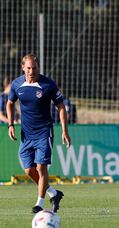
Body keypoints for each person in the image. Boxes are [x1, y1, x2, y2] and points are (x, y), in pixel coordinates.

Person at [6, 54, 71, 213]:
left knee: (41, 167)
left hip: (44, 133)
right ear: (23, 68)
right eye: (28, 68)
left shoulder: (48, 84)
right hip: (26, 134)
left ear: (38, 68)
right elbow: (9, 103)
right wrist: (11, 124)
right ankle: (53, 193)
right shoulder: (16, 84)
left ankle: (40, 204)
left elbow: (61, 107)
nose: (31, 71)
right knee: (29, 170)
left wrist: (64, 130)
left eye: (34, 68)